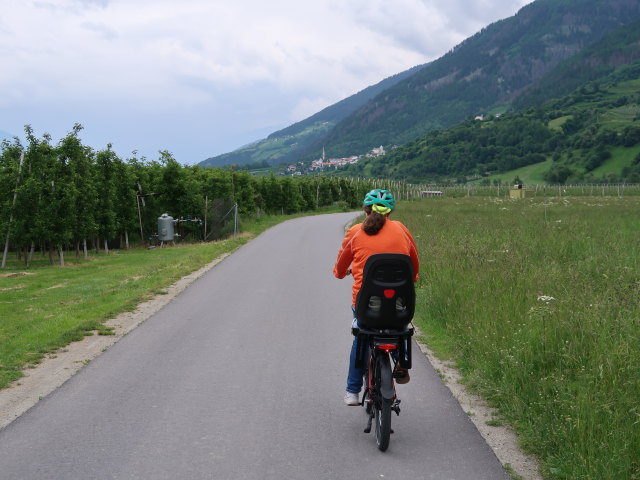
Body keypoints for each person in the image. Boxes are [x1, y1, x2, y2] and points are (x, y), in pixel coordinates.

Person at [333, 189, 420, 406]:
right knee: (398, 328)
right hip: (400, 301)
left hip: (366, 303)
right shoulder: (401, 229)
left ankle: (352, 392)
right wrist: (414, 277)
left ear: (365, 209)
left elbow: (340, 268)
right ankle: (400, 360)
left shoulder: (355, 231)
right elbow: (413, 261)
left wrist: (343, 272)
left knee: (362, 337)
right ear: (390, 211)